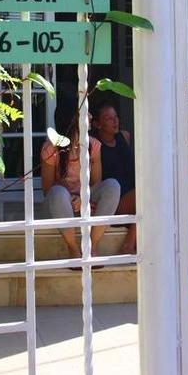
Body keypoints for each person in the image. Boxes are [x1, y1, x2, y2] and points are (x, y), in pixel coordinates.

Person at [41, 99, 121, 264]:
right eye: (86, 112)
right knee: (57, 192)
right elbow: (47, 189)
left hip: (86, 202)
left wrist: (83, 199)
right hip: (61, 205)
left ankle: (92, 247)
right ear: (73, 118)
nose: (91, 116)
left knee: (112, 185)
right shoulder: (52, 148)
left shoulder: (94, 146)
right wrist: (72, 200)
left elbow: (96, 182)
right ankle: (73, 248)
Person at [91, 102, 137, 255]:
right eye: (108, 118)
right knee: (145, 196)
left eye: (116, 117)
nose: (115, 121)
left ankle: (131, 240)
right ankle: (128, 246)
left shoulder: (124, 136)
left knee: (150, 194)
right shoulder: (94, 145)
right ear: (97, 124)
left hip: (131, 194)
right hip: (113, 200)